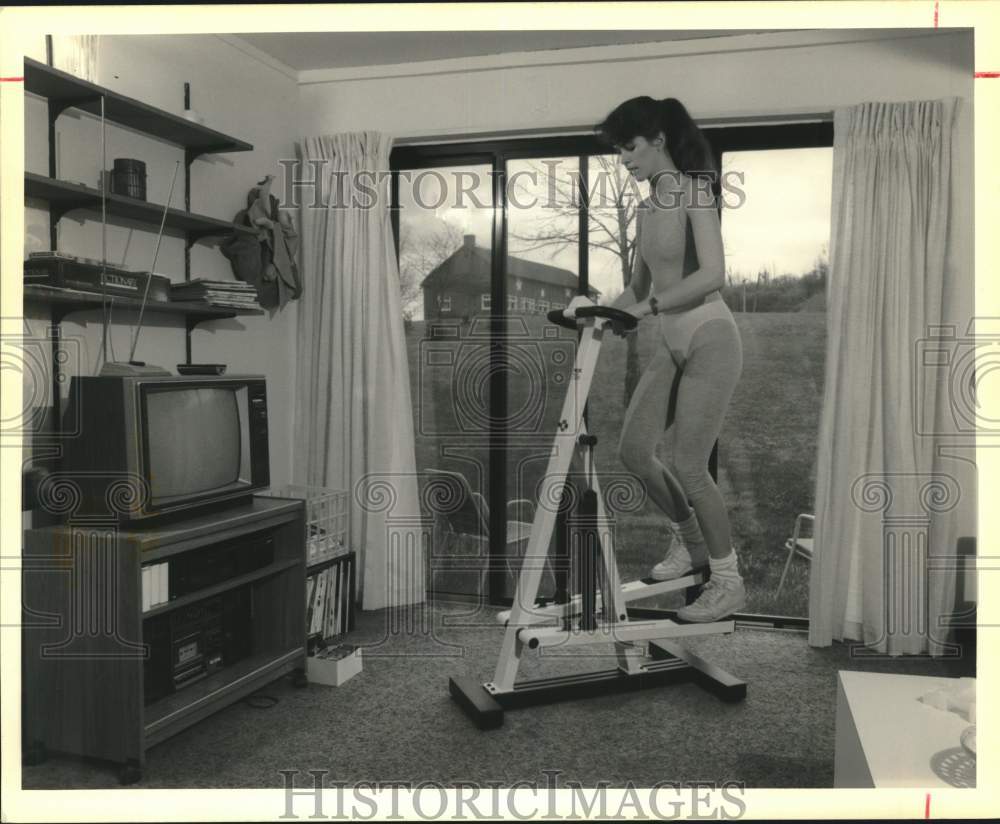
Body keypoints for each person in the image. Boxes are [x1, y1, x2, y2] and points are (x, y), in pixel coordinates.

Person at [564, 96, 745, 622]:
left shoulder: (695, 192)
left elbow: (712, 274)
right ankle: (689, 545)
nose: (623, 159)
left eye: (630, 146)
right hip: (672, 338)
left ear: (659, 139)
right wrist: (595, 311)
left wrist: (646, 308)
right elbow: (637, 288)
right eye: (619, 149)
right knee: (636, 450)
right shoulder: (645, 209)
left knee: (689, 463)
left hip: (710, 334)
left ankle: (729, 580)